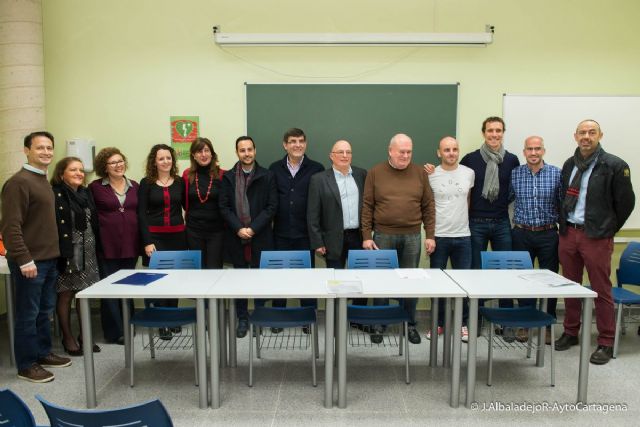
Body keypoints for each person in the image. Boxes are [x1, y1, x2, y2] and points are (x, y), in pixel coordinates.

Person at [554, 120, 635, 365]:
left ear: (600, 135)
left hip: (596, 237)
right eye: (582, 133)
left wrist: (607, 229)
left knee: (600, 289)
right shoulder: (570, 164)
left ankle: (606, 341)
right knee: (569, 286)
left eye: (591, 132)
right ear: (575, 136)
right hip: (569, 234)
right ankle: (571, 332)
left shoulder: (614, 165)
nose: (586, 137)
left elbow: (626, 203)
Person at [1, 131, 71, 382]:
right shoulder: (19, 182)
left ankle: (43, 353)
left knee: (45, 311)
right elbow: (10, 226)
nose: (46, 152)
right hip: (31, 262)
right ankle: (27, 364)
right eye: (39, 147)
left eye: (49, 147)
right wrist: (23, 259)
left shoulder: (42, 181)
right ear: (26, 150)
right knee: (28, 314)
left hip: (48, 259)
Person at [361, 133, 436, 344]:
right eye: (401, 152)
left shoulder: (420, 173)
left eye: (409, 152)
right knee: (381, 282)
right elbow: (367, 206)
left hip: (412, 235)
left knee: (410, 282)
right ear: (390, 151)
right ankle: (379, 323)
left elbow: (428, 206)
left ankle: (410, 324)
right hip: (383, 236)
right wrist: (367, 235)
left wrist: (430, 235)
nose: (405, 156)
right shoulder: (375, 172)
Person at [219, 136, 278, 338]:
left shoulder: (267, 176)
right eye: (242, 150)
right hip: (236, 237)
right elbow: (224, 207)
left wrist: (252, 228)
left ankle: (260, 315)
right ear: (237, 152)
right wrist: (238, 228)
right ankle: (243, 318)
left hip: (260, 235)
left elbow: (272, 207)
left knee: (261, 278)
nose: (246, 153)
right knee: (240, 279)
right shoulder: (227, 177)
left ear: (255, 150)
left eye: (249, 149)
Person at [510, 136, 562, 343]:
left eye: (537, 149)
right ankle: (524, 322)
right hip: (521, 233)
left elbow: (563, 203)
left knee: (550, 281)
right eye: (530, 149)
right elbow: (506, 199)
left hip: (548, 234)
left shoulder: (557, 174)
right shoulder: (515, 174)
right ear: (524, 152)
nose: (533, 153)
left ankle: (547, 324)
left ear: (544, 151)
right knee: (523, 280)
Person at [269, 128, 324, 317]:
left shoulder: (316, 168)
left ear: (305, 144)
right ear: (285, 145)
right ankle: (278, 314)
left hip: (305, 234)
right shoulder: (274, 168)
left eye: (301, 141)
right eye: (292, 141)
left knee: (306, 277)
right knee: (279, 276)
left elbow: (321, 204)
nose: (297, 145)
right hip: (280, 232)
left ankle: (307, 315)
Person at [51, 157, 101, 356]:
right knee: (66, 294)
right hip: (68, 251)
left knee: (84, 294)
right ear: (62, 173)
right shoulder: (55, 194)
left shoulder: (85, 193)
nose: (79, 173)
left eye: (81, 170)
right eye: (73, 170)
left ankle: (85, 335)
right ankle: (68, 336)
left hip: (88, 251)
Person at [89, 147, 140, 345]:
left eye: (120, 161)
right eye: (113, 163)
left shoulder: (134, 185)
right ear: (104, 167)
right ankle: (115, 331)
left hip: (131, 244)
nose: (118, 165)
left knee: (129, 286)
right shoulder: (95, 187)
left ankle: (129, 324)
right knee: (110, 288)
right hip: (106, 245)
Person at [307, 140, 367, 306]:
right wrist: (317, 241)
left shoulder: (362, 175)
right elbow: (312, 213)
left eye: (348, 152)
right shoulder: (318, 180)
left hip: (358, 236)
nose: (345, 155)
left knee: (360, 279)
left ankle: (358, 318)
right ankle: (336, 320)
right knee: (336, 282)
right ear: (331, 156)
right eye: (340, 152)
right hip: (332, 238)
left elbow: (369, 206)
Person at [427, 137, 474, 343]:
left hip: (463, 237)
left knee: (463, 284)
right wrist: (429, 235)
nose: (451, 153)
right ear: (439, 153)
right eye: (447, 150)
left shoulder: (468, 173)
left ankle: (462, 324)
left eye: (455, 149)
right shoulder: (430, 174)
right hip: (439, 237)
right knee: (437, 284)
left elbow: (468, 200)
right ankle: (438, 323)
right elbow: (427, 206)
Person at [137, 144, 187, 340]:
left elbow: (187, 206)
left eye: (169, 158)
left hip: (177, 237)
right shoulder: (146, 183)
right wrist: (147, 241)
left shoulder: (180, 182)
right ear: (154, 162)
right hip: (155, 239)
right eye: (161, 159)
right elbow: (141, 214)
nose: (166, 161)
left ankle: (172, 318)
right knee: (157, 281)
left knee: (175, 280)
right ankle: (161, 322)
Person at [182, 137, 225, 269]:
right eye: (199, 151)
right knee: (197, 270)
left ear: (212, 153)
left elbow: (226, 203)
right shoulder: (187, 174)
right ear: (193, 155)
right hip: (193, 230)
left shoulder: (222, 174)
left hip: (216, 231)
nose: (204, 154)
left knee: (214, 269)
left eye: (207, 150)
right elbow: (184, 200)